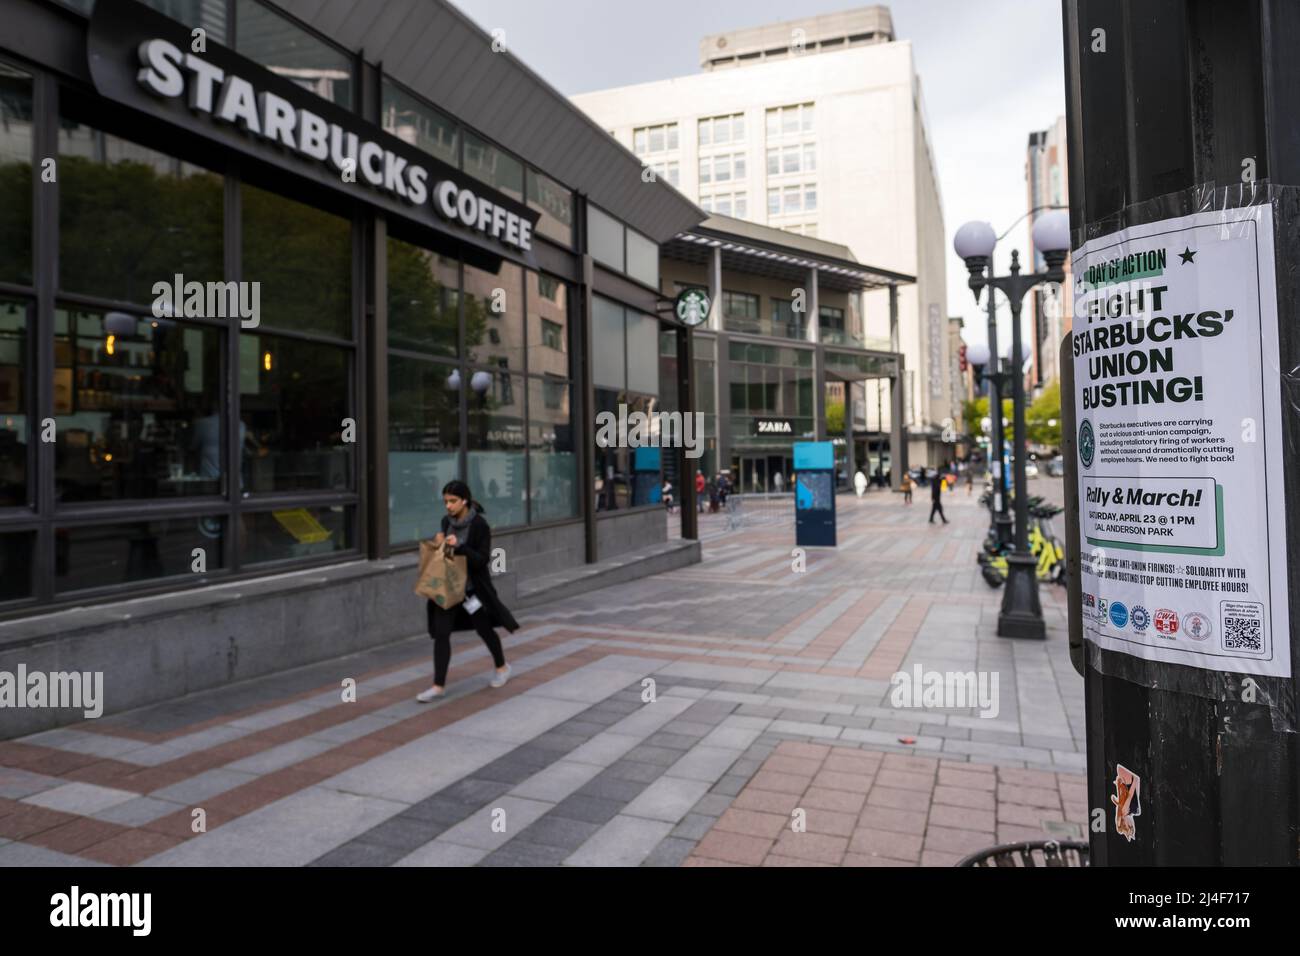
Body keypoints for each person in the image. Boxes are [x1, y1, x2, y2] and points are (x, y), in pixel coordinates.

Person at [416, 480, 519, 702]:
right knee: (441, 634)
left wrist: (461, 547)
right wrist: (440, 542)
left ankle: (502, 667)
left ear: (465, 500)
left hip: (472, 591)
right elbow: (444, 556)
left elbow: (482, 560)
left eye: (452, 501)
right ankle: (438, 685)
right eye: (445, 501)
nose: (448, 506)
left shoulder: (480, 525)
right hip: (449, 589)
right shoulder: (446, 522)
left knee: (484, 630)